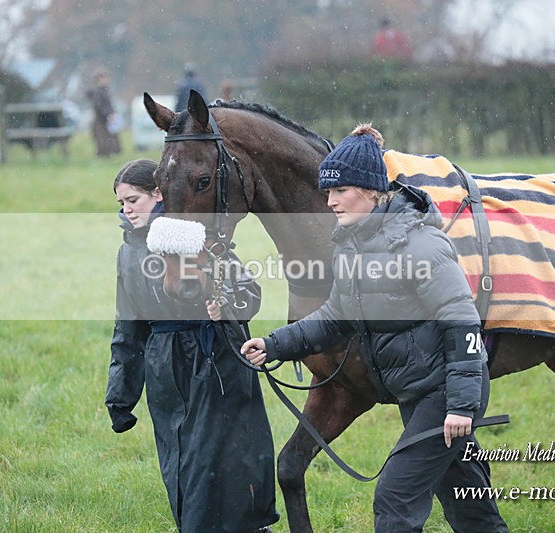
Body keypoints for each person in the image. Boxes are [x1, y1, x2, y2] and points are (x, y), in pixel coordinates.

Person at [241, 126, 508, 532]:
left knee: (395, 498)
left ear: (370, 190)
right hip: (416, 391)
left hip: (443, 393)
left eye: (340, 191)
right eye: (327, 192)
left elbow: (462, 321)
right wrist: (275, 344)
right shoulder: (352, 246)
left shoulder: (420, 244)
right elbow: (337, 316)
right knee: (470, 508)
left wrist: (459, 405)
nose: (330, 201)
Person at [105, 158, 279, 533]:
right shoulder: (128, 252)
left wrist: (225, 305)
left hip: (217, 362)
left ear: (158, 193)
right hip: (166, 370)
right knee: (181, 464)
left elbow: (249, 294)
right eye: (121, 203)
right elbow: (128, 330)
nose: (127, 209)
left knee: (221, 462)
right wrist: (120, 397)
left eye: (133, 200)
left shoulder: (197, 236)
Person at [86, 69, 121, 157]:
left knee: (110, 139)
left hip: (105, 119)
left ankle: (111, 154)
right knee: (104, 140)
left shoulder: (104, 90)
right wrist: (108, 115)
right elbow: (99, 106)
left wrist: (112, 113)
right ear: (99, 79)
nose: (107, 80)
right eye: (105, 78)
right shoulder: (98, 92)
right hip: (101, 120)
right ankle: (106, 155)